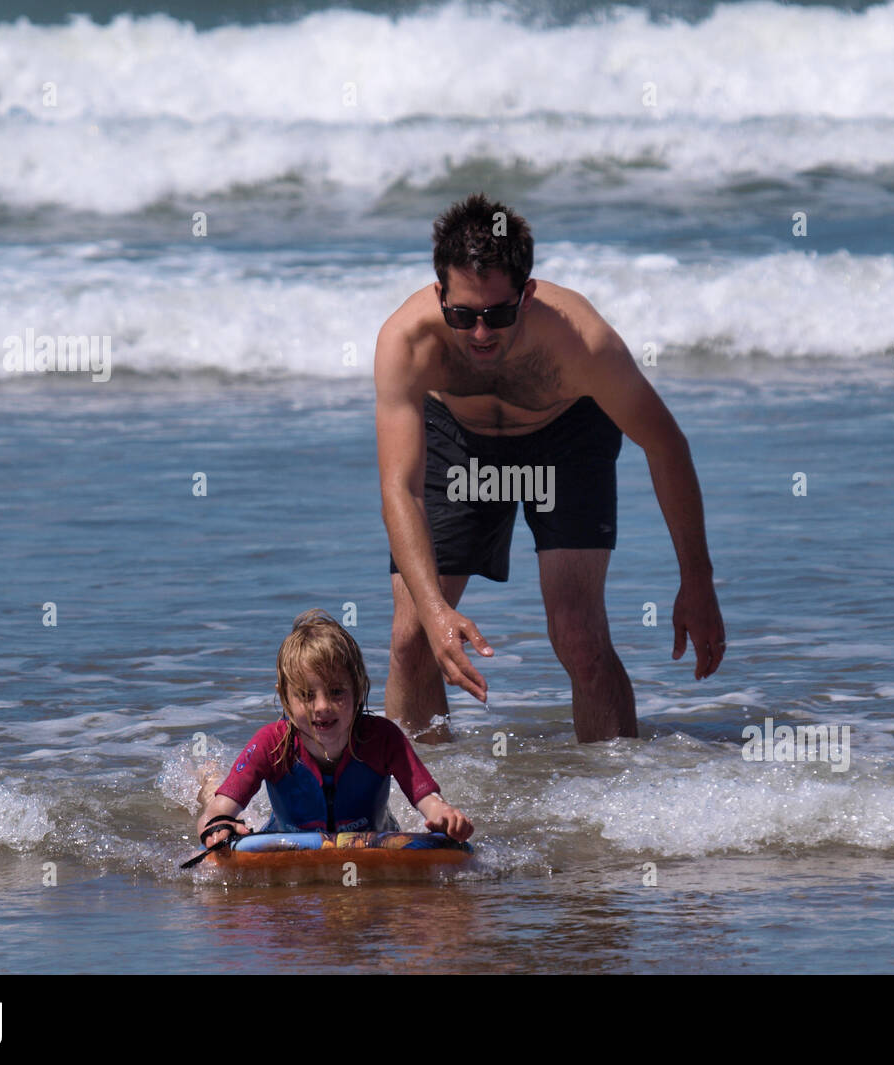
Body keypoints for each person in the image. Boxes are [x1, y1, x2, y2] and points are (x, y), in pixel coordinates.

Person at [375, 193, 726, 744]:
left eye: (499, 314)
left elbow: (667, 447)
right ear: (439, 294)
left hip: (566, 436)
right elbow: (400, 486)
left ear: (528, 294)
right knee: (414, 636)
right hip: (457, 439)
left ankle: (615, 806)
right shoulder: (408, 341)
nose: (481, 333)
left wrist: (697, 580)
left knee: (579, 636)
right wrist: (435, 608)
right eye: (463, 316)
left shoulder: (583, 345)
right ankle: (422, 808)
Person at [197, 609, 473, 849]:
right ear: (285, 699)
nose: (322, 706)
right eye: (306, 695)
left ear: (358, 690)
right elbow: (218, 812)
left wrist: (444, 816)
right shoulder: (272, 743)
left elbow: (428, 799)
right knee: (218, 797)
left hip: (376, 834)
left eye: (337, 691)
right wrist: (217, 826)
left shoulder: (384, 739)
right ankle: (211, 778)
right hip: (283, 835)